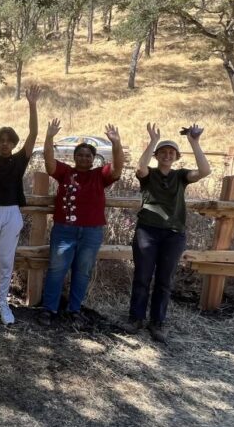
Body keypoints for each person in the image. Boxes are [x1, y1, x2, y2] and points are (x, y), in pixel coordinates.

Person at [122, 123, 211, 342]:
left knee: (164, 280)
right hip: (147, 231)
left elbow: (205, 171)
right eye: (163, 152)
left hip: (173, 234)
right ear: (157, 155)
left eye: (171, 152)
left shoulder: (180, 176)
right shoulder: (148, 175)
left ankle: (157, 322)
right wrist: (153, 140)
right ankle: (135, 319)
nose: (167, 155)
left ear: (177, 157)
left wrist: (194, 142)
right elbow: (140, 167)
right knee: (142, 277)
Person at [37, 120, 124, 328]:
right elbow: (49, 162)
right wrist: (49, 137)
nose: (84, 158)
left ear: (94, 159)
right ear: (74, 157)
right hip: (64, 230)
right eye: (80, 155)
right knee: (57, 270)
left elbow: (118, 168)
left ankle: (74, 310)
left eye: (88, 155)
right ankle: (49, 309)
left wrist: (116, 143)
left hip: (91, 232)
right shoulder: (65, 172)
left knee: (82, 271)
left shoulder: (99, 176)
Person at [0, 84, 40, 325]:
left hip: (12, 213)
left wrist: (32, 105)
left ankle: (2, 302)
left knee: (5, 261)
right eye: (0, 140)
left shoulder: (20, 160)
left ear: (12, 143)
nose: (4, 143)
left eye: (8, 140)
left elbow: (33, 135)